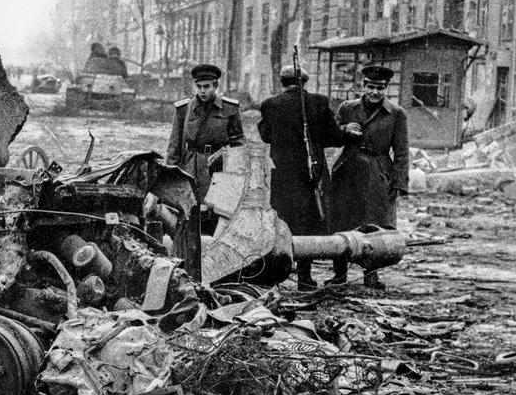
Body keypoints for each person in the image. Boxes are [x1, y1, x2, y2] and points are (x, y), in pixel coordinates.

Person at [257, 64, 345, 290]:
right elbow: (334, 136)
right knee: (311, 221)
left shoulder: (270, 105)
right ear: (305, 82)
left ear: (282, 82)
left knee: (284, 221)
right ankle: (305, 278)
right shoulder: (319, 102)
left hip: (284, 176)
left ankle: (278, 274)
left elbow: (266, 136)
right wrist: (349, 133)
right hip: (312, 175)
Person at [326, 63, 409, 290]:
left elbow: (402, 151)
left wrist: (400, 183)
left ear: (386, 89)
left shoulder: (396, 114)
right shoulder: (347, 108)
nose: (375, 92)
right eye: (371, 87)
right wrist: (344, 130)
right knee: (342, 220)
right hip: (347, 170)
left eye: (380, 88)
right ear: (363, 86)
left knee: (374, 224)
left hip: (378, 171)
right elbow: (329, 137)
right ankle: (339, 273)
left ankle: (371, 274)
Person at [165, 63, 244, 205]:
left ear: (215, 86)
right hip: (189, 165)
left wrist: (225, 155)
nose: (202, 91)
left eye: (206, 86)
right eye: (199, 86)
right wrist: (170, 174)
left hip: (217, 168)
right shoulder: (184, 109)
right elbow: (174, 145)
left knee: (214, 209)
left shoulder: (229, 108)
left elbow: (239, 144)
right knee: (187, 208)